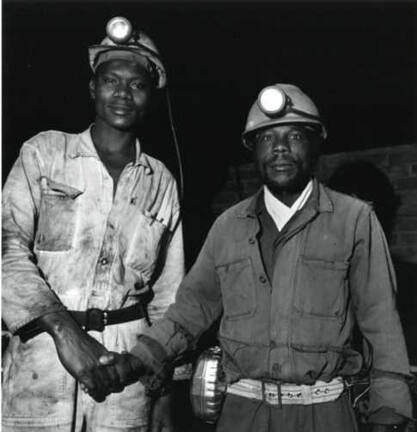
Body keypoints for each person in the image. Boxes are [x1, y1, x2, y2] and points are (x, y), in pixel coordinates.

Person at [100, 84, 413, 431]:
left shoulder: (353, 220)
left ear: (316, 143)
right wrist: (134, 362)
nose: (279, 148)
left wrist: (390, 410)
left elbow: (380, 320)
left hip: (324, 414)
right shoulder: (228, 226)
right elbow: (190, 311)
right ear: (253, 150)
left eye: (294, 135)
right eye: (266, 138)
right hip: (242, 413)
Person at [2, 17, 184, 432]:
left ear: (150, 96)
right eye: (110, 81)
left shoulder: (162, 182)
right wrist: (65, 332)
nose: (122, 93)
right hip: (40, 363)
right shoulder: (44, 154)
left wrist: (166, 390)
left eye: (136, 84)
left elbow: (169, 298)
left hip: (128, 377)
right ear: (92, 87)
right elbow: (6, 249)